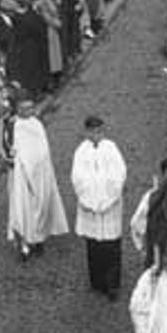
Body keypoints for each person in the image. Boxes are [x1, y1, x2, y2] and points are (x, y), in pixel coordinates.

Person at [5, 91, 69, 261]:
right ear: (17, 109)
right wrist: (17, 163)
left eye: (31, 108)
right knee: (21, 208)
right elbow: (8, 149)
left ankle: (39, 238)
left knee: (40, 204)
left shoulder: (36, 124)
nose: (29, 111)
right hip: (21, 175)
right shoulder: (13, 126)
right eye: (24, 108)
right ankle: (23, 244)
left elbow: (43, 149)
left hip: (40, 174)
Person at [71, 115, 127, 300]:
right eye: (93, 131)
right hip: (90, 206)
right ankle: (97, 282)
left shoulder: (111, 148)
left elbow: (119, 173)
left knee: (111, 247)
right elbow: (78, 177)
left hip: (110, 205)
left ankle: (112, 285)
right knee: (94, 247)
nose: (97, 135)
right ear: (87, 132)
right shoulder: (81, 152)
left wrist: (109, 197)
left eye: (100, 131)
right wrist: (89, 199)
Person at [129, 158, 167, 259]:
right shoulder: (151, 197)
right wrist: (142, 248)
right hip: (158, 255)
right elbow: (135, 223)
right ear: (165, 174)